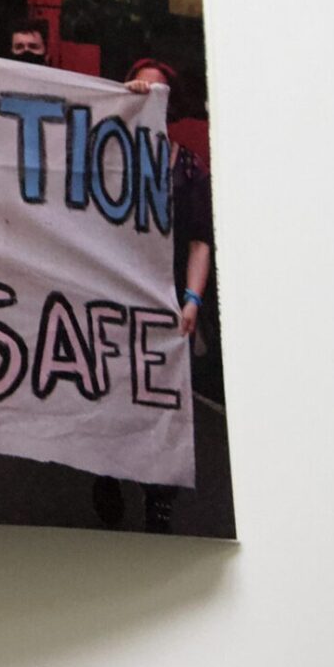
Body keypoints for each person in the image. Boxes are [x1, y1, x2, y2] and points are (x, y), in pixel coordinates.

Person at [93, 58, 218, 534]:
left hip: (165, 306)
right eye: (138, 89)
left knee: (162, 404)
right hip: (111, 301)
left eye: (157, 91)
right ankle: (106, 472)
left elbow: (199, 240)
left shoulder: (187, 168)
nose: (148, 97)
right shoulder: (104, 160)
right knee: (111, 395)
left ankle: (158, 498)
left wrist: (192, 299)